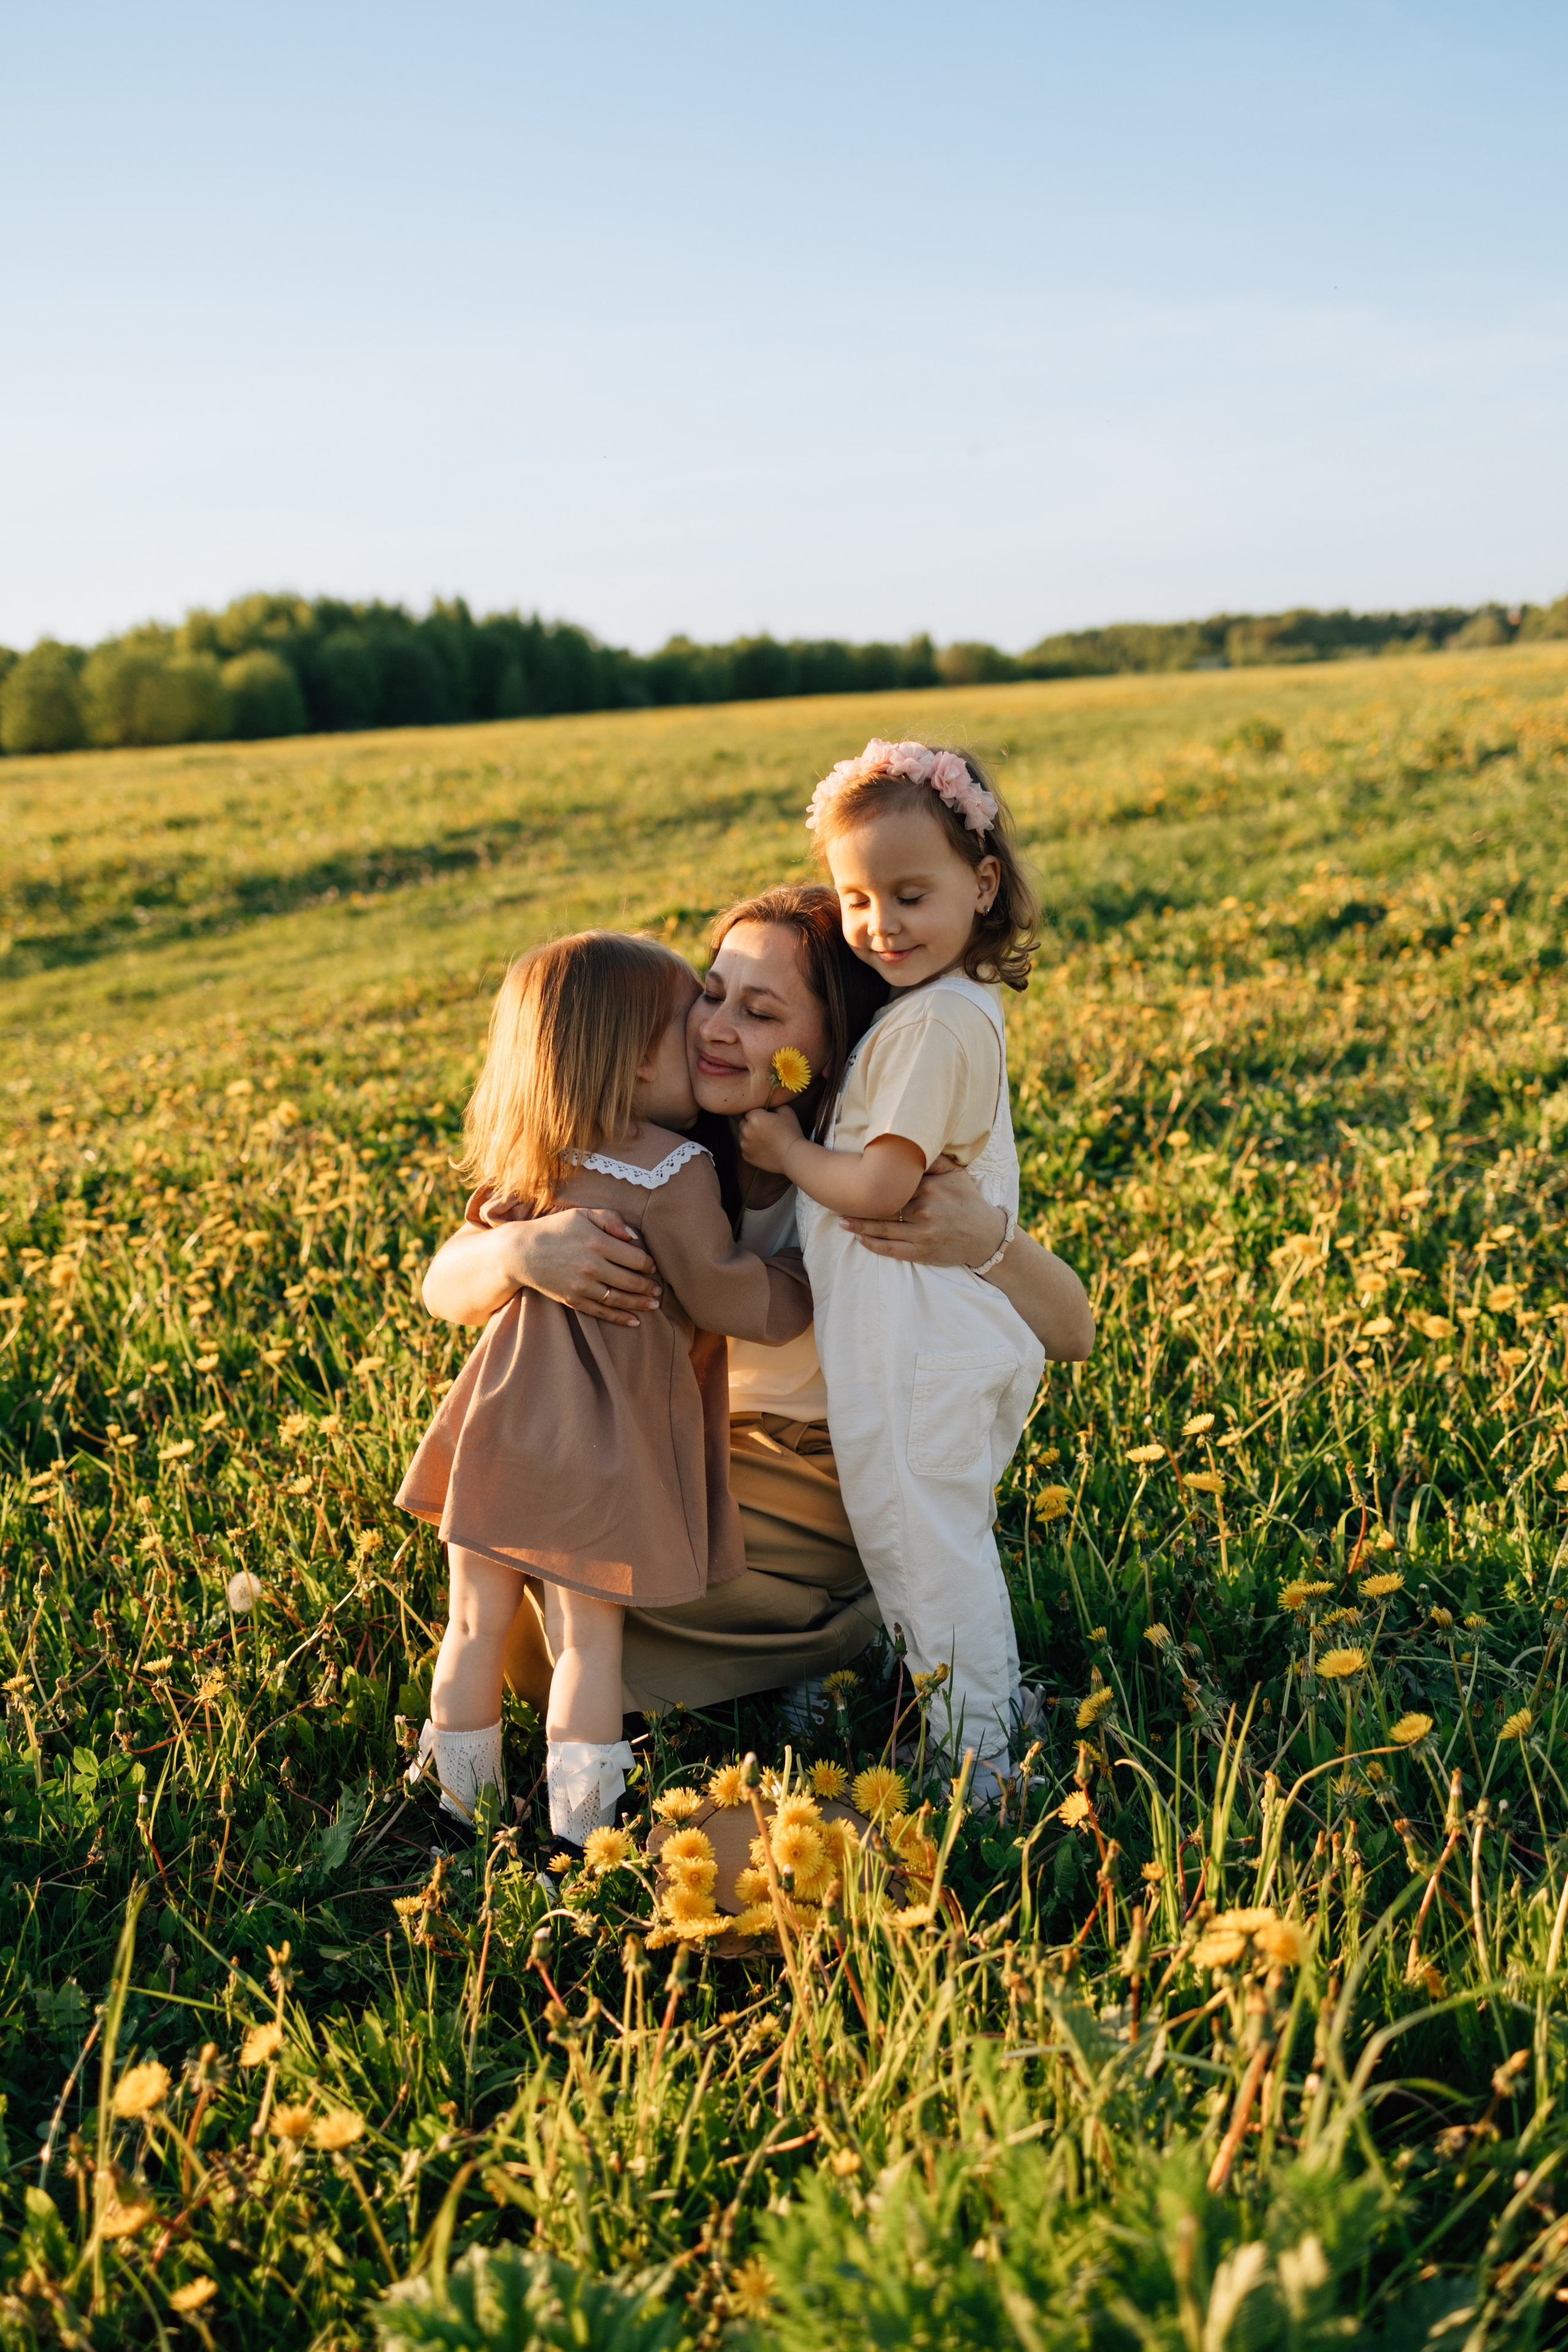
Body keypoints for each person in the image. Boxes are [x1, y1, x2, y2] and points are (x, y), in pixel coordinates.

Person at [421, 885, 1093, 1739]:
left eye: (762, 1012)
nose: (715, 1029)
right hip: (668, 1440)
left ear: (833, 1042)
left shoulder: (866, 1167)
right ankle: (789, 1656)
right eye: (710, 994)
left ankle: (846, 1635)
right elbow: (445, 1284)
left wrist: (987, 1237)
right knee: (520, 1612)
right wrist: (521, 1254)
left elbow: (1072, 1331)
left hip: (819, 1468)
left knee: (573, 1600)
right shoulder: (658, 1144)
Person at [395, 929, 812, 1852]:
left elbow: (462, 1275)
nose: (705, 1029)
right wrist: (804, 1276)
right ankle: (582, 1831)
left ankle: (457, 1810)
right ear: (631, 1063)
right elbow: (724, 1293)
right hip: (601, 1451)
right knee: (588, 1642)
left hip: (499, 1429)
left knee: (472, 1620)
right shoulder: (673, 1172)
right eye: (685, 1019)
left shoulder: (533, 1165)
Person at [737, 742, 1043, 1795]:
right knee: (911, 1537)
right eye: (856, 897)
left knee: (930, 1545)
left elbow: (880, 1184)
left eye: (912, 894)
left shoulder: (939, 1019)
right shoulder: (927, 1011)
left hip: (923, 1339)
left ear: (984, 883)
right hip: (907, 1335)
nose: (882, 924)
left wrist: (784, 1153)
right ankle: (966, 1702)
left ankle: (986, 1757)